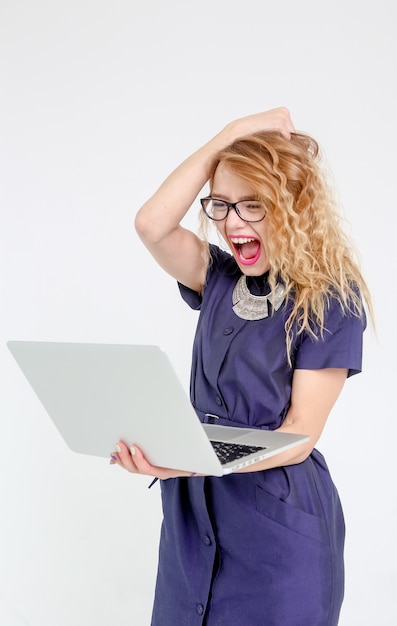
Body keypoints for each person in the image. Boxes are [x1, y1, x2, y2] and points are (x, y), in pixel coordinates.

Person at [110, 107, 372, 625]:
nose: (231, 222)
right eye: (223, 204)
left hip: (278, 530)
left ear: (294, 208)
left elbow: (299, 434)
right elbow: (152, 224)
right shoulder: (220, 277)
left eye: (253, 205)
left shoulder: (332, 301)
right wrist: (230, 136)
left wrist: (187, 457)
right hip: (193, 523)